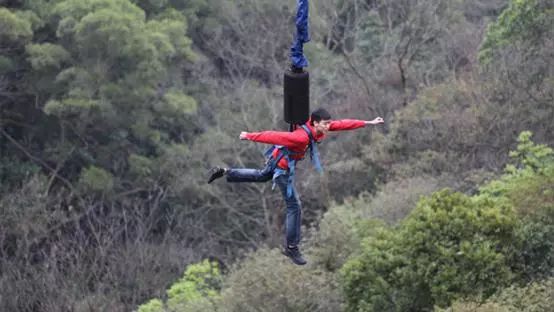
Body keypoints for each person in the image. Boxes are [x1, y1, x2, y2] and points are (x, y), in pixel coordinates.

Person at [207, 108, 384, 265]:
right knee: (295, 206)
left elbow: (344, 124)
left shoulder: (319, 127)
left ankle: (224, 171)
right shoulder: (300, 137)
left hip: (275, 159)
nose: (329, 126)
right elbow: (273, 136)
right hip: (282, 170)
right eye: (326, 124)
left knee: (261, 176)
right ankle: (292, 247)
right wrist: (249, 136)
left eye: (329, 123)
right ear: (315, 123)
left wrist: (368, 122)